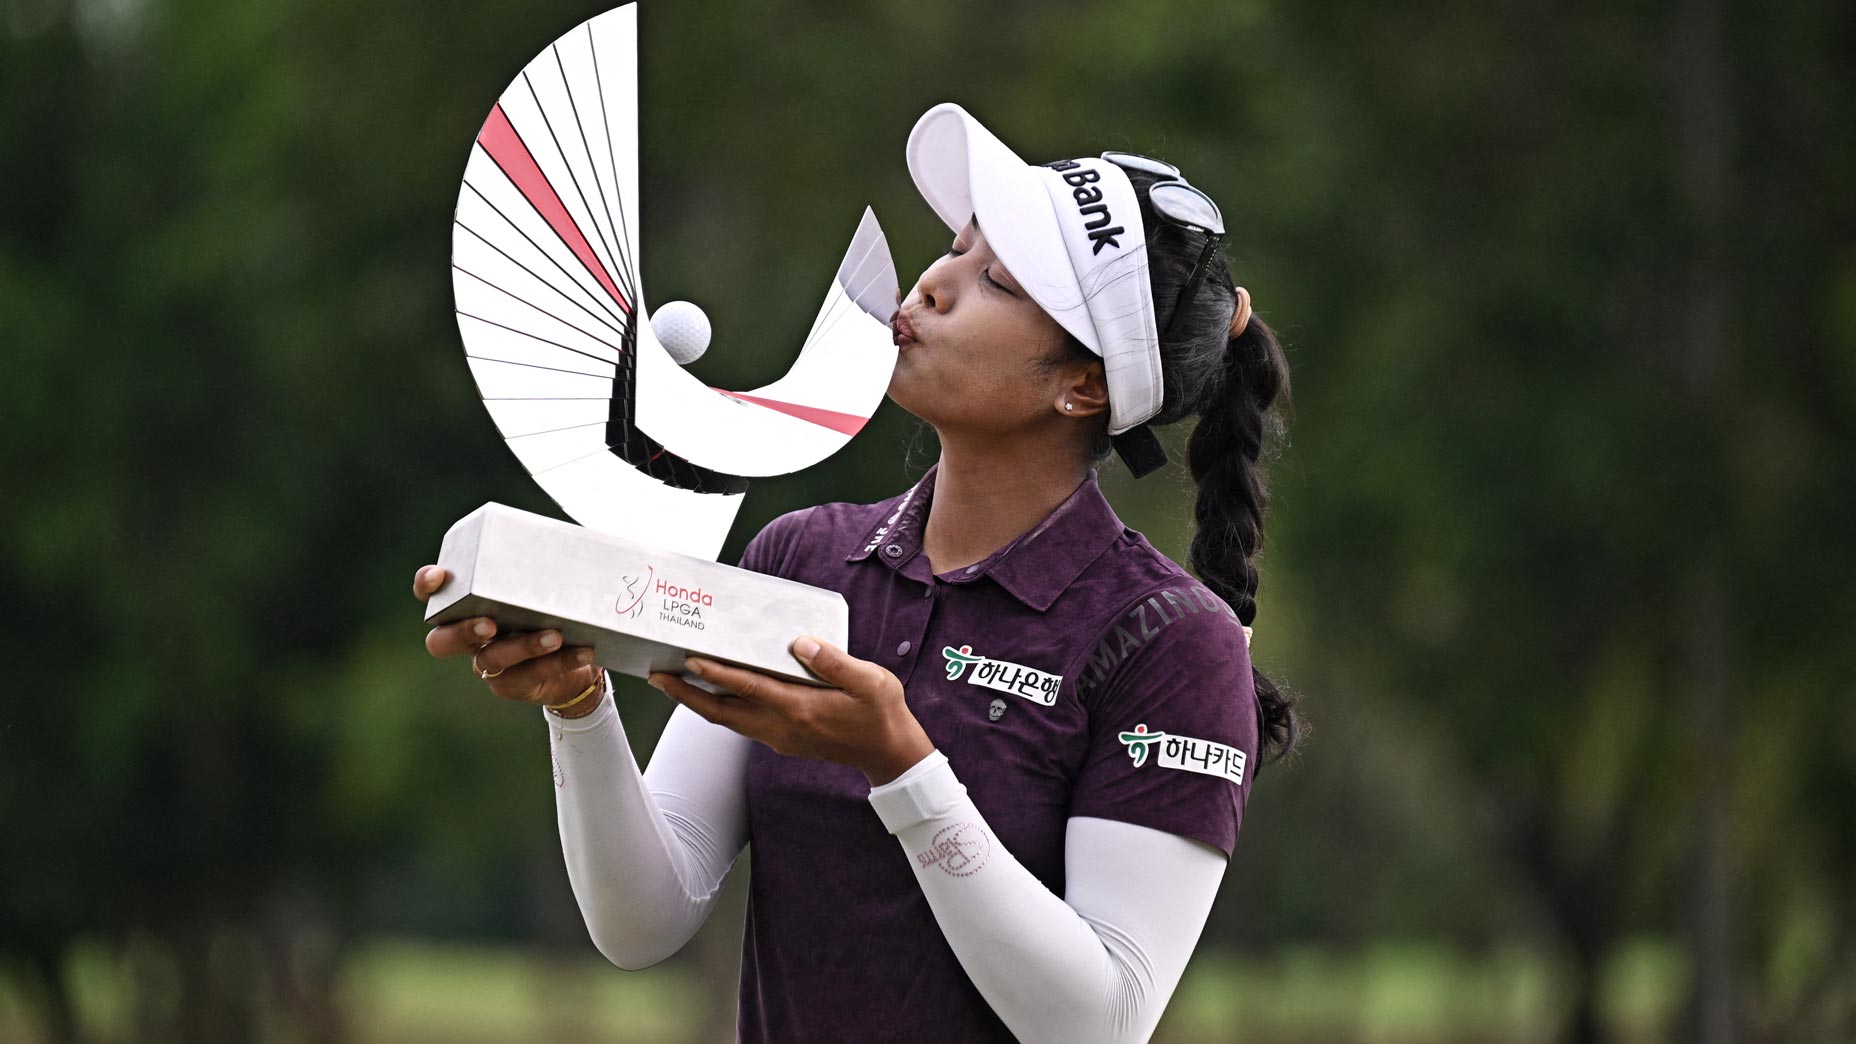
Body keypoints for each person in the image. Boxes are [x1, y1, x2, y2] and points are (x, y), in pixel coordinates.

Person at [413, 102, 1299, 1044]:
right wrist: (578, 700)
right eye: (954, 247)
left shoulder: (1173, 641)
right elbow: (642, 920)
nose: (934, 284)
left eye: (996, 280)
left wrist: (900, 766)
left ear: (1082, 385)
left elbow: (1100, 1023)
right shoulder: (804, 559)